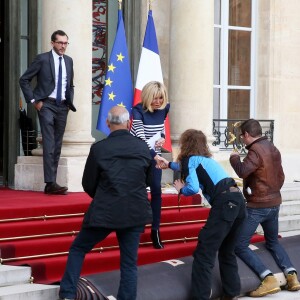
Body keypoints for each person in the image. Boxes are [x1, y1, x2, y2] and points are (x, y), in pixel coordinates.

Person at [59, 106, 152, 300]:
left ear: (108, 124)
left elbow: (88, 183)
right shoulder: (142, 147)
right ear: (129, 123)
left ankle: (67, 294)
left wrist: (104, 196)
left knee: (78, 248)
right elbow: (150, 180)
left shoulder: (99, 148)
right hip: (134, 211)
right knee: (129, 263)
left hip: (105, 210)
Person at [158, 129, 246, 300]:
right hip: (238, 201)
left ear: (185, 144)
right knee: (227, 251)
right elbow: (183, 167)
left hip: (224, 203)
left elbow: (192, 187)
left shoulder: (191, 160)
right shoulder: (205, 160)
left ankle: (200, 296)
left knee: (204, 253)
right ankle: (231, 293)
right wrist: (167, 164)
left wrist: (180, 189)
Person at [230, 119, 300, 297]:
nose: (242, 140)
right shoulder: (272, 148)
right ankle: (291, 276)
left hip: (258, 206)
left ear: (246, 134)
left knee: (239, 245)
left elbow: (243, 171)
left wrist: (234, 158)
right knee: (273, 242)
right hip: (274, 203)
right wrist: (272, 192)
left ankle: (267, 278)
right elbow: (281, 176)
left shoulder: (255, 151)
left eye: (242, 136)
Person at [19, 30, 76, 195]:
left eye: (65, 43)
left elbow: (70, 84)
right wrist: (34, 102)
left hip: (62, 107)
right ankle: (50, 182)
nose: (63, 46)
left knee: (57, 145)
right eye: (60, 43)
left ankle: (51, 184)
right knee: (50, 143)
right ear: (52, 43)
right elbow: (24, 79)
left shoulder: (69, 61)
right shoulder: (42, 59)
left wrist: (68, 101)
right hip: (46, 105)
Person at [130, 81, 170, 249]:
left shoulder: (164, 109)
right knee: (138, 193)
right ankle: (136, 227)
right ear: (147, 97)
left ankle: (155, 230)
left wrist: (162, 137)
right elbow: (140, 138)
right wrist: (155, 157)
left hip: (155, 157)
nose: (158, 101)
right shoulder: (137, 110)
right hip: (138, 157)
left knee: (156, 191)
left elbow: (162, 129)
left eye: (161, 98)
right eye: (155, 98)